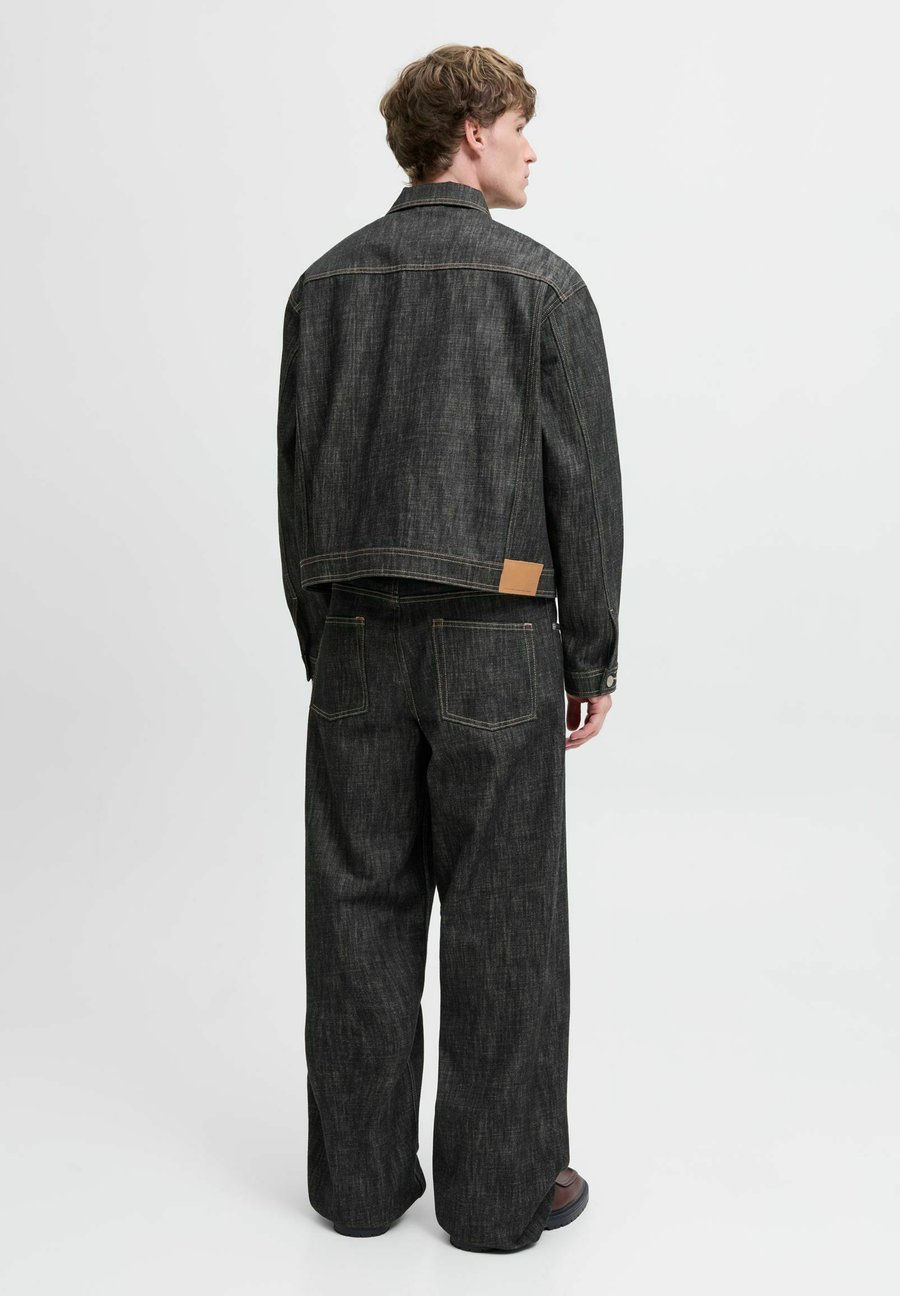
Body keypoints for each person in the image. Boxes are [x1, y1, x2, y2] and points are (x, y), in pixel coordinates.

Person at [276, 43, 623, 1253]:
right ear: (472, 131)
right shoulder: (544, 287)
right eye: (520, 125)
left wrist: (328, 643)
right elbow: (584, 488)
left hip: (356, 644)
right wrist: (590, 656)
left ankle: (359, 1187)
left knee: (355, 907)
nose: (531, 147)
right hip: (497, 643)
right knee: (505, 917)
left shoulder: (324, 287)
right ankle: (497, 1197)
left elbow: (296, 487)